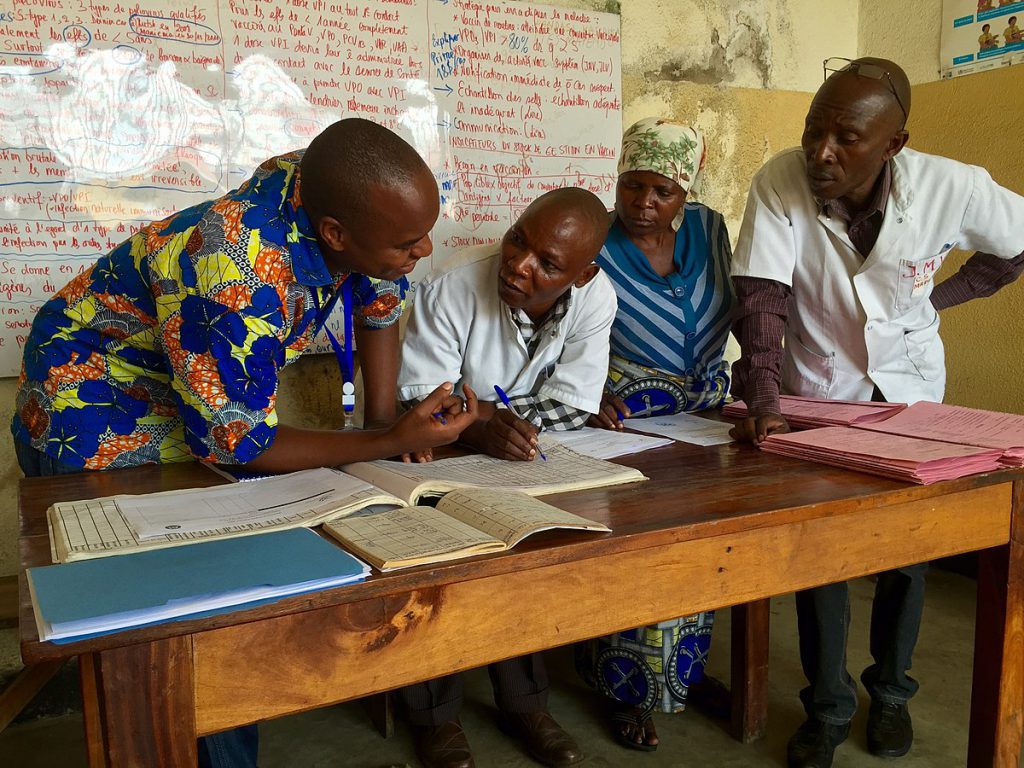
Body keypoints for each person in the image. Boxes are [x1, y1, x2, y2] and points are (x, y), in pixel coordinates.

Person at [11, 118, 479, 768]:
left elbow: (379, 299)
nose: (425, 248)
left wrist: (387, 437)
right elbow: (237, 441)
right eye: (408, 240)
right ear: (335, 233)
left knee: (226, 606)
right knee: (178, 627)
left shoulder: (336, 193)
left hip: (186, 396)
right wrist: (381, 439)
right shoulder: (234, 265)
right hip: (89, 403)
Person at [730, 57, 1024, 768]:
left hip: (911, 390)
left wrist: (934, 306)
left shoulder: (952, 185)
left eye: (846, 138)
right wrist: (765, 398)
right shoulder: (780, 179)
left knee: (906, 554)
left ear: (894, 144)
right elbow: (762, 295)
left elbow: (1014, 248)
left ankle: (891, 696)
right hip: (819, 385)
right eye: (813, 130)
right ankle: (826, 708)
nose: (820, 152)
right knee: (822, 555)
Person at [396, 187, 615, 768]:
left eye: (548, 264)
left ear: (584, 273)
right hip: (439, 458)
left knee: (527, 552)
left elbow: (573, 405)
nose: (520, 264)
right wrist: (476, 427)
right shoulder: (451, 286)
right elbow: (423, 399)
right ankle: (433, 715)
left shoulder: (598, 299)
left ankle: (524, 704)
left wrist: (492, 417)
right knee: (434, 556)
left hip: (528, 456)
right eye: (519, 238)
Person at [578, 117, 734, 752]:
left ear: (686, 193)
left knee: (704, 546)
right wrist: (586, 394)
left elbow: (742, 297)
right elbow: (567, 324)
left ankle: (685, 675)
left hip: (707, 414)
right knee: (639, 550)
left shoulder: (710, 230)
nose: (644, 202)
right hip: (624, 417)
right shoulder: (595, 240)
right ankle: (624, 688)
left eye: (662, 190)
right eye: (632, 185)